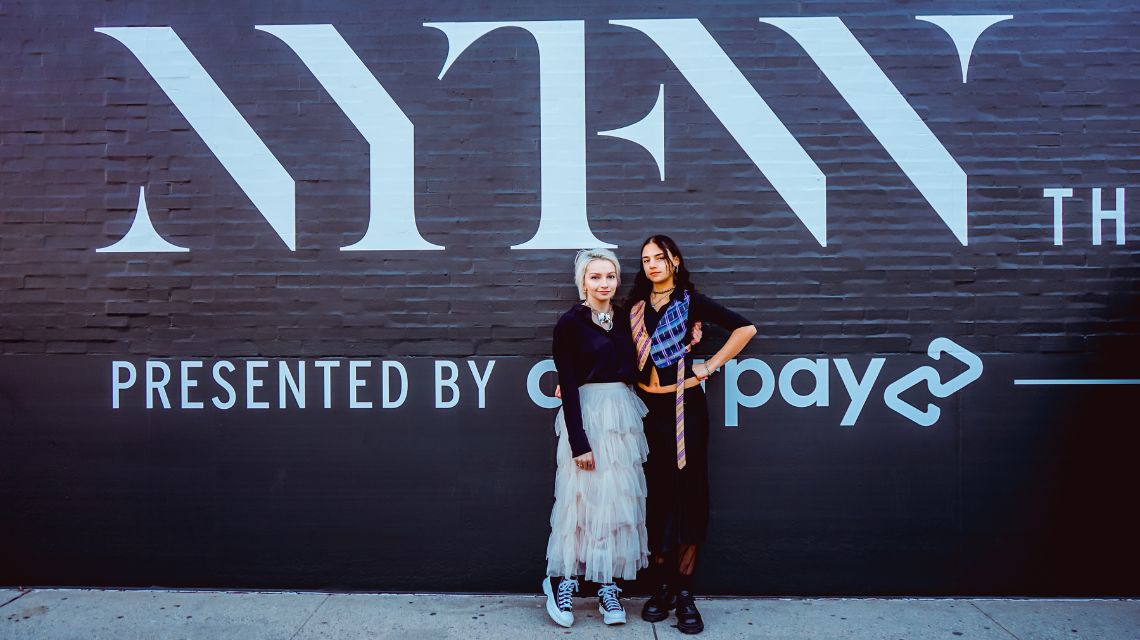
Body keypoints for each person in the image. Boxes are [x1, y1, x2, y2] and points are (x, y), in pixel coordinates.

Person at [628, 235, 756, 635]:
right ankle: (662, 588)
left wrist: (710, 365)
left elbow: (745, 329)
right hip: (648, 410)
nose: (652, 265)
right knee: (657, 497)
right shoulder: (633, 309)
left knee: (689, 493)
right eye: (646, 259)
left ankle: (684, 592)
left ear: (675, 261)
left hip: (685, 407)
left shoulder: (690, 303)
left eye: (659, 258)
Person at [542, 248, 649, 628]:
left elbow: (643, 364)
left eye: (610, 276)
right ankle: (563, 581)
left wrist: (689, 341)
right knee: (579, 499)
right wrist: (579, 442)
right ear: (582, 282)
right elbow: (567, 386)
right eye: (595, 277)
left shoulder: (625, 318)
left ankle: (607, 586)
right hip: (586, 412)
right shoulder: (569, 324)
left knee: (613, 501)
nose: (604, 283)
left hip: (620, 413)